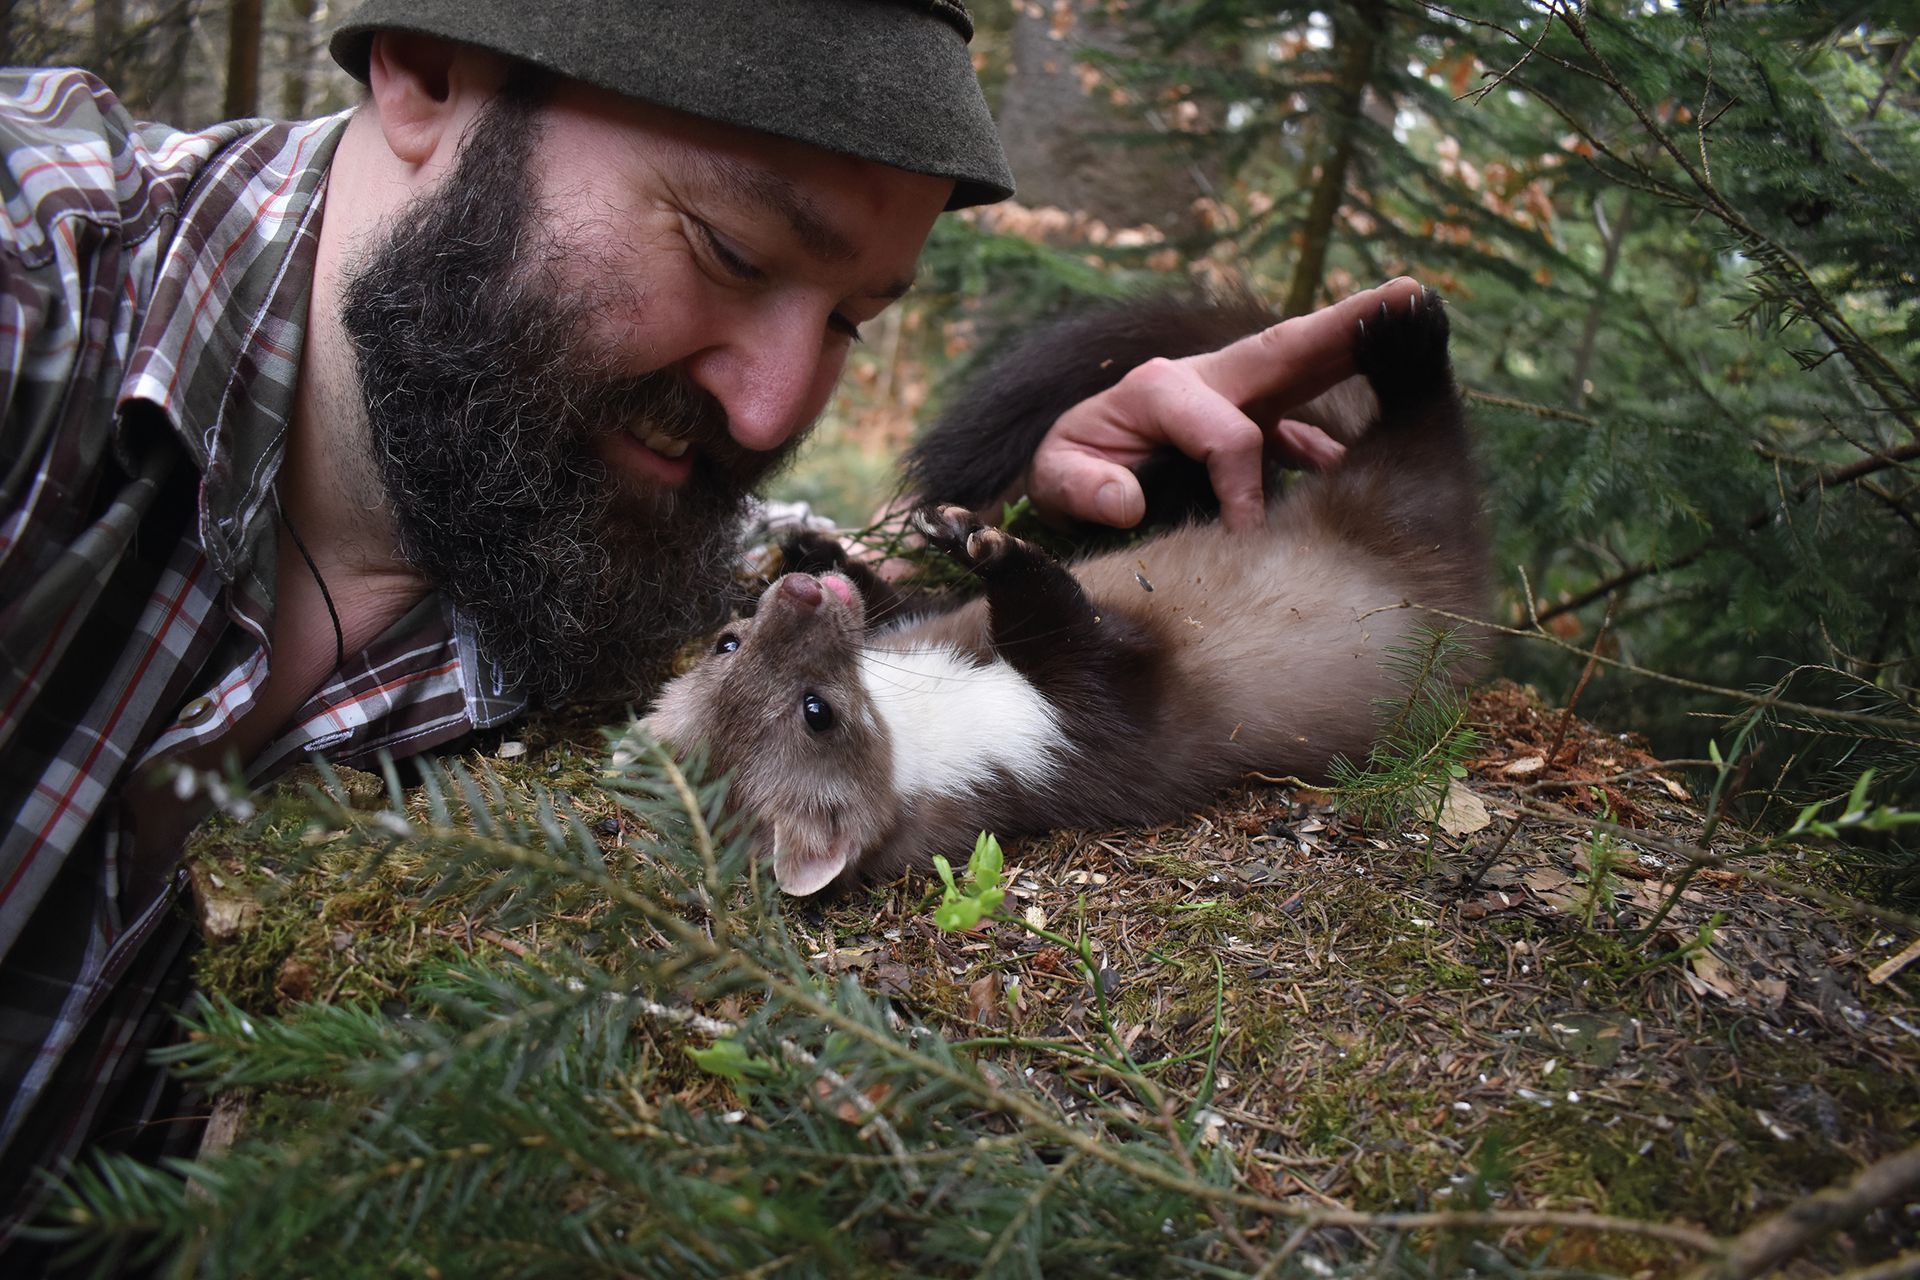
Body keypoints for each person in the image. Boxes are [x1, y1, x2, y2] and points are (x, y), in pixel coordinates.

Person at [0, 0, 1420, 1243]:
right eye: (733, 252)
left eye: (853, 320)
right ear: (428, 69)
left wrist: (1047, 513)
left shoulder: (576, 520)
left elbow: (800, 599)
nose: (773, 409)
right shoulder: (40, 298)